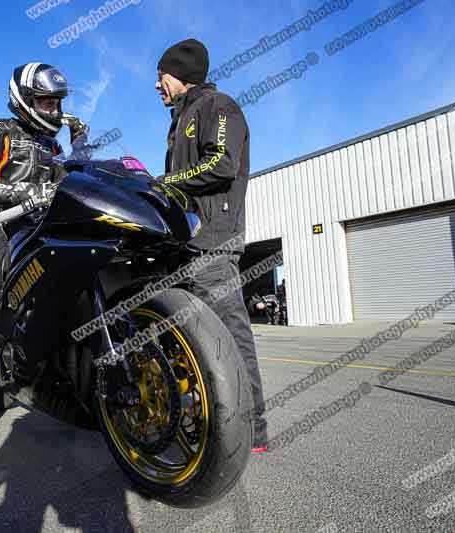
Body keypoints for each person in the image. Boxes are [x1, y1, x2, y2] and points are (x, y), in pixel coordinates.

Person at [0, 62, 88, 457]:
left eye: (58, 103)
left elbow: (77, 178)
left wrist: (81, 148)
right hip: (4, 229)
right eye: (46, 102)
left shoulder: (55, 146)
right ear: (25, 101)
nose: (55, 112)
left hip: (47, 228)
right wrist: (24, 191)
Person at [152, 39, 269, 452]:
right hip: (186, 247)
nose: (156, 85)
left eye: (160, 75)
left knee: (230, 334)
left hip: (214, 244)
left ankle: (253, 429)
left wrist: (164, 182)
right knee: (191, 339)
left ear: (180, 74)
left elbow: (220, 163)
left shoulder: (218, 106)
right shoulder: (179, 119)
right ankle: (201, 420)